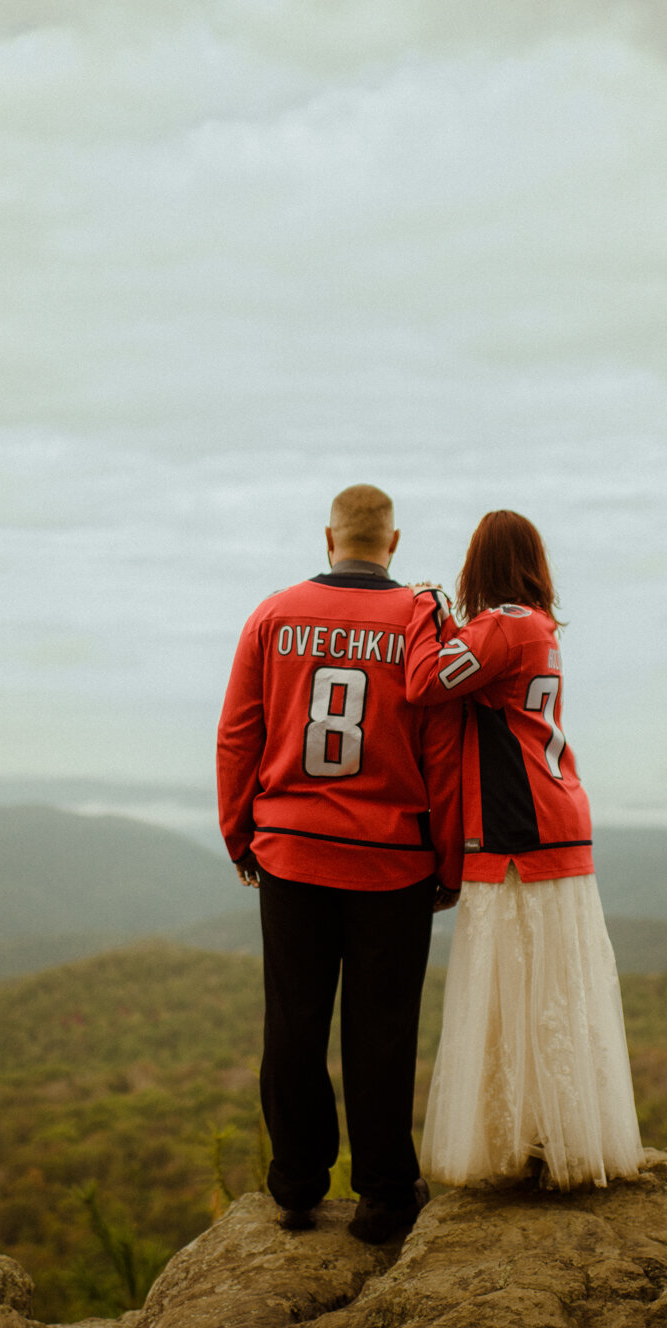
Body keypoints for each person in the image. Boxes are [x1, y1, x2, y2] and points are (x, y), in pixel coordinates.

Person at [216, 483, 462, 1243]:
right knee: (381, 1028)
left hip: (290, 851)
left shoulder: (273, 614)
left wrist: (239, 835)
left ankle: (295, 1182)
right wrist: (447, 861)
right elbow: (444, 753)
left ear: (329, 539)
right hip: (392, 860)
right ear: (393, 543)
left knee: (293, 1021)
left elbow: (237, 736)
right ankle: (385, 1193)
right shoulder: (419, 622)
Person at [401, 509, 643, 1190]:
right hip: (558, 818)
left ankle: (524, 1147)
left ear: (478, 566)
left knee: (512, 995)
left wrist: (425, 608)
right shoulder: (538, 626)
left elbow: (422, 681)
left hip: (516, 831)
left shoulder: (501, 624)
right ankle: (558, 1139)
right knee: (556, 993)